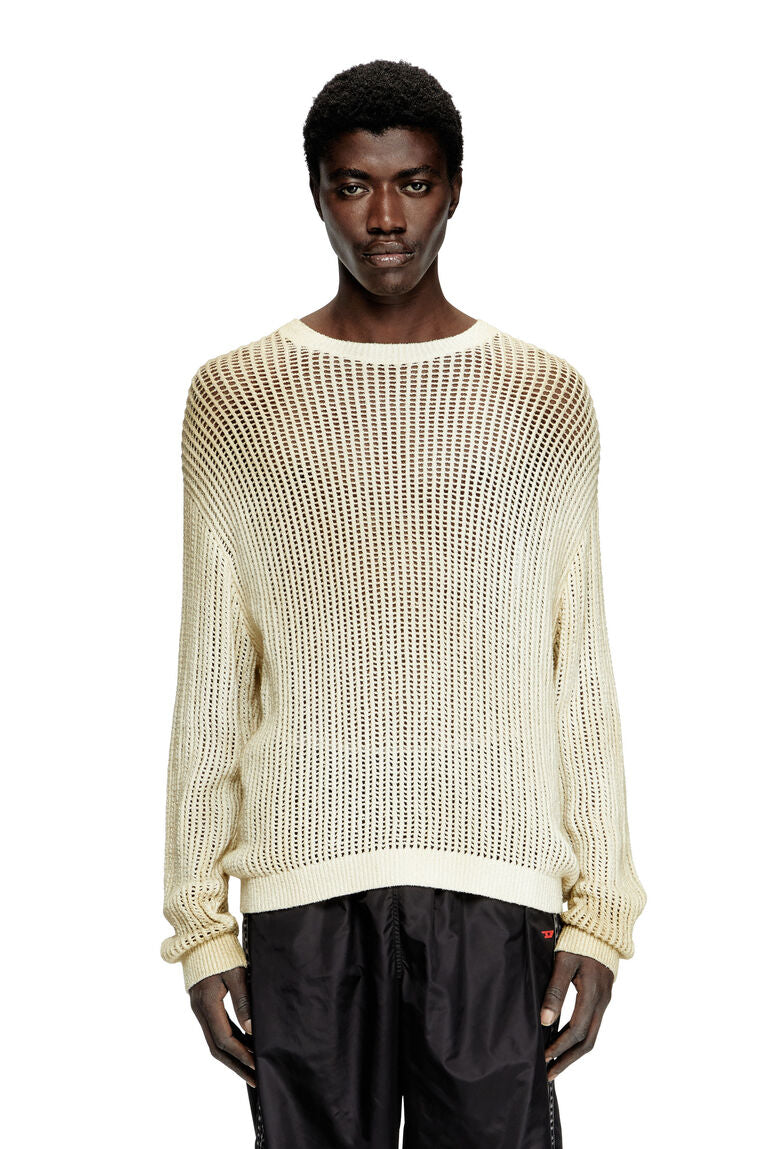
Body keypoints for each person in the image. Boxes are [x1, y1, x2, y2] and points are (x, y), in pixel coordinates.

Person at [160, 58, 648, 1149]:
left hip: (495, 885)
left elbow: (578, 665)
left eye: (413, 184)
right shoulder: (235, 399)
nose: (385, 218)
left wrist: (600, 915)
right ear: (317, 192)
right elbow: (212, 673)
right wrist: (201, 928)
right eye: (353, 186)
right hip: (301, 888)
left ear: (454, 188)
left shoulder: (542, 399)